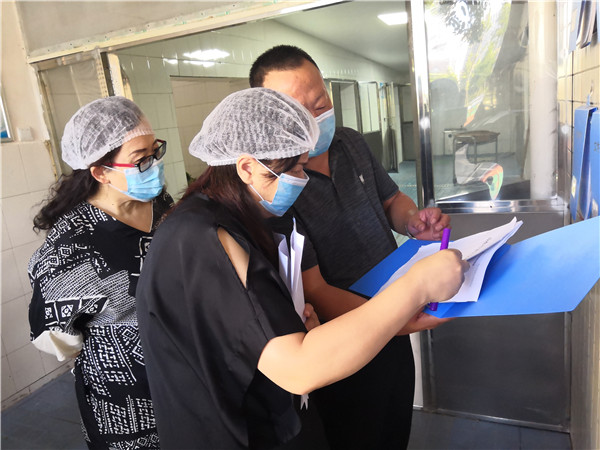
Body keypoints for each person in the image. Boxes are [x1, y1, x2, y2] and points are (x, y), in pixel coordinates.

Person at [135, 87, 468, 450]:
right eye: (293, 169)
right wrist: (417, 286)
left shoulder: (242, 218)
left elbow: (246, 328)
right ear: (247, 167)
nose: (301, 179)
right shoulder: (201, 238)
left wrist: (296, 321)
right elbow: (298, 368)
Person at [249, 45, 453, 449]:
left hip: (395, 319)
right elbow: (315, 288)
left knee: (396, 427)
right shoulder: (279, 185)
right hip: (344, 340)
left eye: (320, 103)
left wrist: (413, 222)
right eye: (298, 111)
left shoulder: (351, 142)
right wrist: (396, 317)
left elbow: (391, 200)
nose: (315, 117)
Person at [28, 96, 172, 450]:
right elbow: (54, 335)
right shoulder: (73, 245)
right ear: (101, 172)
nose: (154, 165)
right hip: (123, 396)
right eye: (141, 159)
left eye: (155, 152)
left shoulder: (157, 204)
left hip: (180, 374)